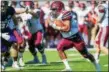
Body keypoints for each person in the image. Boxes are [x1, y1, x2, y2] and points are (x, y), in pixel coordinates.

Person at [45, 1, 101, 71]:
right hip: (67, 38)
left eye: (54, 9)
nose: (53, 11)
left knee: (86, 55)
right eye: (52, 9)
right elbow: (48, 20)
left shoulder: (66, 13)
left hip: (76, 38)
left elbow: (67, 28)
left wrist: (54, 26)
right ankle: (68, 68)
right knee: (59, 48)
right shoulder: (52, 15)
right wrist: (50, 21)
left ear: (59, 8)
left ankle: (96, 64)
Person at [1, 1, 23, 70]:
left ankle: (15, 63)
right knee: (2, 51)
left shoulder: (10, 10)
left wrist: (17, 27)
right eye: (1, 6)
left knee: (15, 43)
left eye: (4, 6)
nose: (2, 8)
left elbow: (14, 18)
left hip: (7, 29)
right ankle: (2, 62)